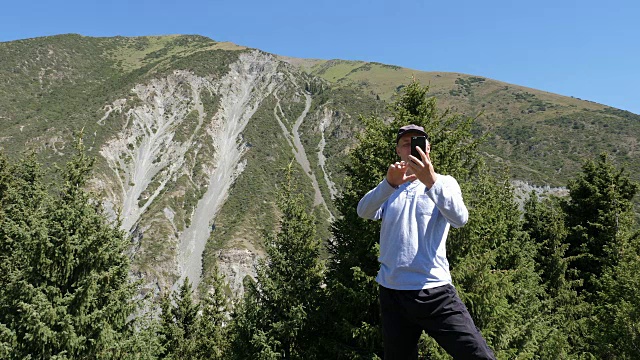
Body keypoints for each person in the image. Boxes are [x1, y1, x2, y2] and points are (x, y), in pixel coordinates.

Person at [357, 124, 495, 360]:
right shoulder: (391, 187)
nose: (411, 147)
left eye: (417, 142)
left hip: (434, 290)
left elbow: (460, 219)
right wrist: (388, 184)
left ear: (428, 149)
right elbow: (363, 211)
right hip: (392, 293)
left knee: (478, 355)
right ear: (398, 151)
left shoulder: (445, 182)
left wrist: (431, 182)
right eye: (405, 144)